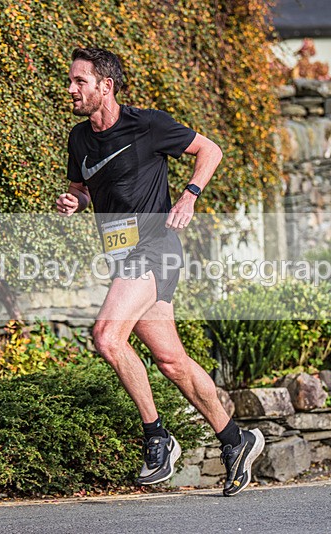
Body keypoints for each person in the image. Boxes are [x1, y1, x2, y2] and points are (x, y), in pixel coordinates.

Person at [56, 47, 262, 497]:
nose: (70, 89)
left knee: (107, 336)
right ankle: (235, 439)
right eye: (70, 81)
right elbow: (82, 189)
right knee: (171, 361)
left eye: (79, 81)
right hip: (122, 255)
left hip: (156, 248)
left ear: (106, 86)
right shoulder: (79, 138)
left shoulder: (147, 125)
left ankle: (157, 437)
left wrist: (189, 195)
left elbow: (210, 150)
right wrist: (76, 201)